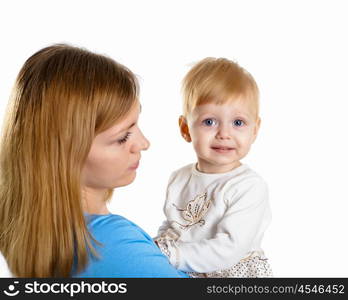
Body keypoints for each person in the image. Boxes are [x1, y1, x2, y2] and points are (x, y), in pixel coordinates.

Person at [0, 44, 188, 278]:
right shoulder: (109, 245)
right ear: (66, 154)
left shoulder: (23, 235)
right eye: (123, 137)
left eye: (136, 125)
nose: (143, 143)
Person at [154, 58, 273, 277]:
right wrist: (156, 248)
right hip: (188, 269)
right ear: (185, 129)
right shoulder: (179, 178)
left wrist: (173, 255)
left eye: (238, 123)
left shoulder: (248, 186)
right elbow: (174, 225)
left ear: (254, 131)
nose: (224, 134)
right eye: (209, 122)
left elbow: (230, 247)